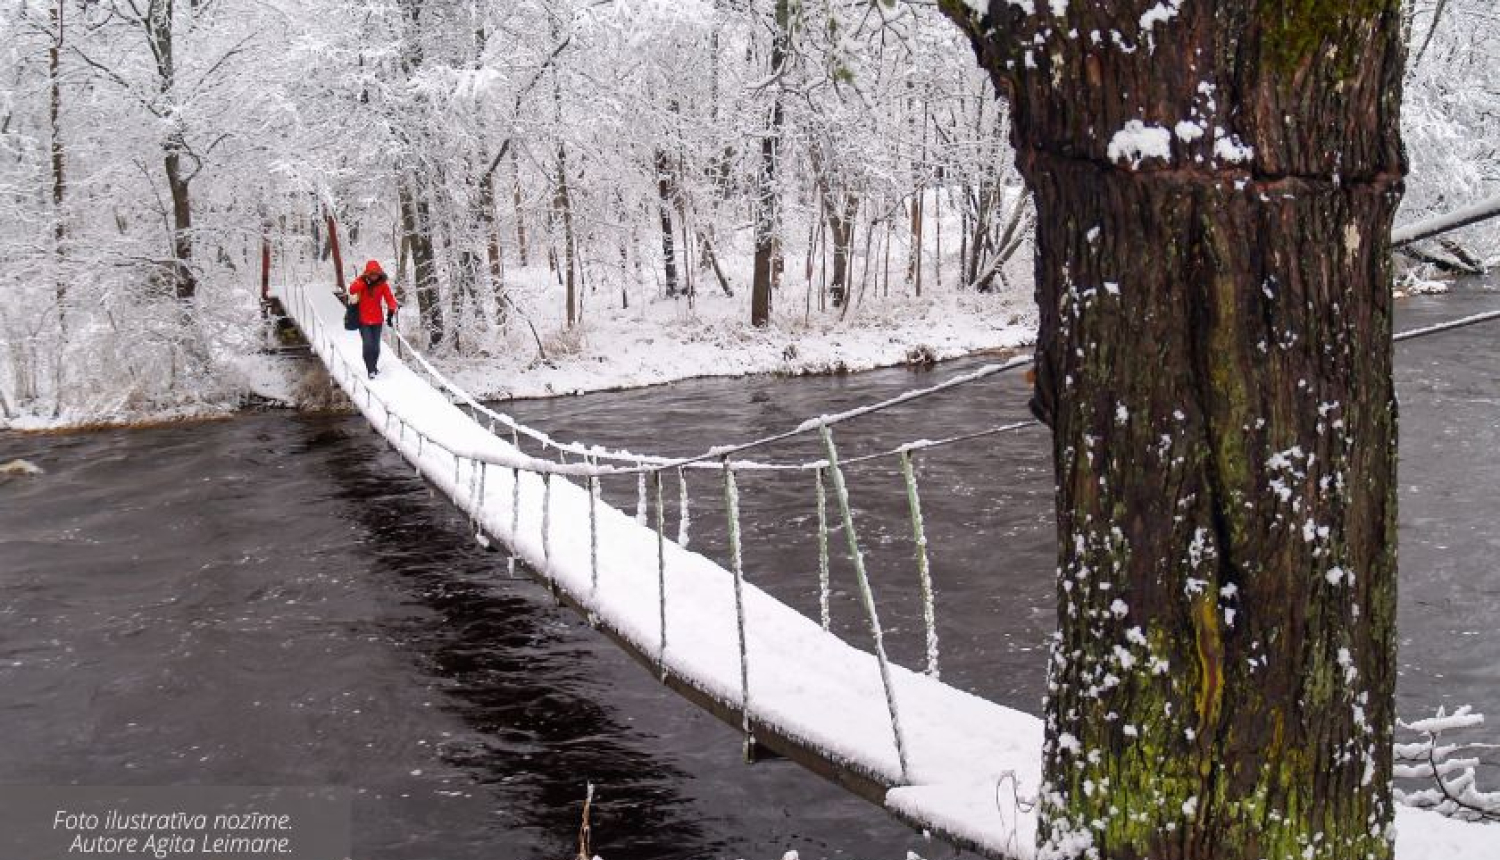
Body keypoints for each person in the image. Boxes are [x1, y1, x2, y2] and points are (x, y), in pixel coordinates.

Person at [348, 260, 398, 378]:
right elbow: (352, 290)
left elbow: (390, 298)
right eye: (372, 274)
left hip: (377, 320)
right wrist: (364, 282)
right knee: (368, 345)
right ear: (368, 274)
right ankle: (370, 370)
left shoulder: (382, 284)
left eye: (376, 274)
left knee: (376, 347)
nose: (374, 276)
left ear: (379, 273)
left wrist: (391, 312)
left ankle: (374, 367)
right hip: (363, 320)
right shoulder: (361, 281)